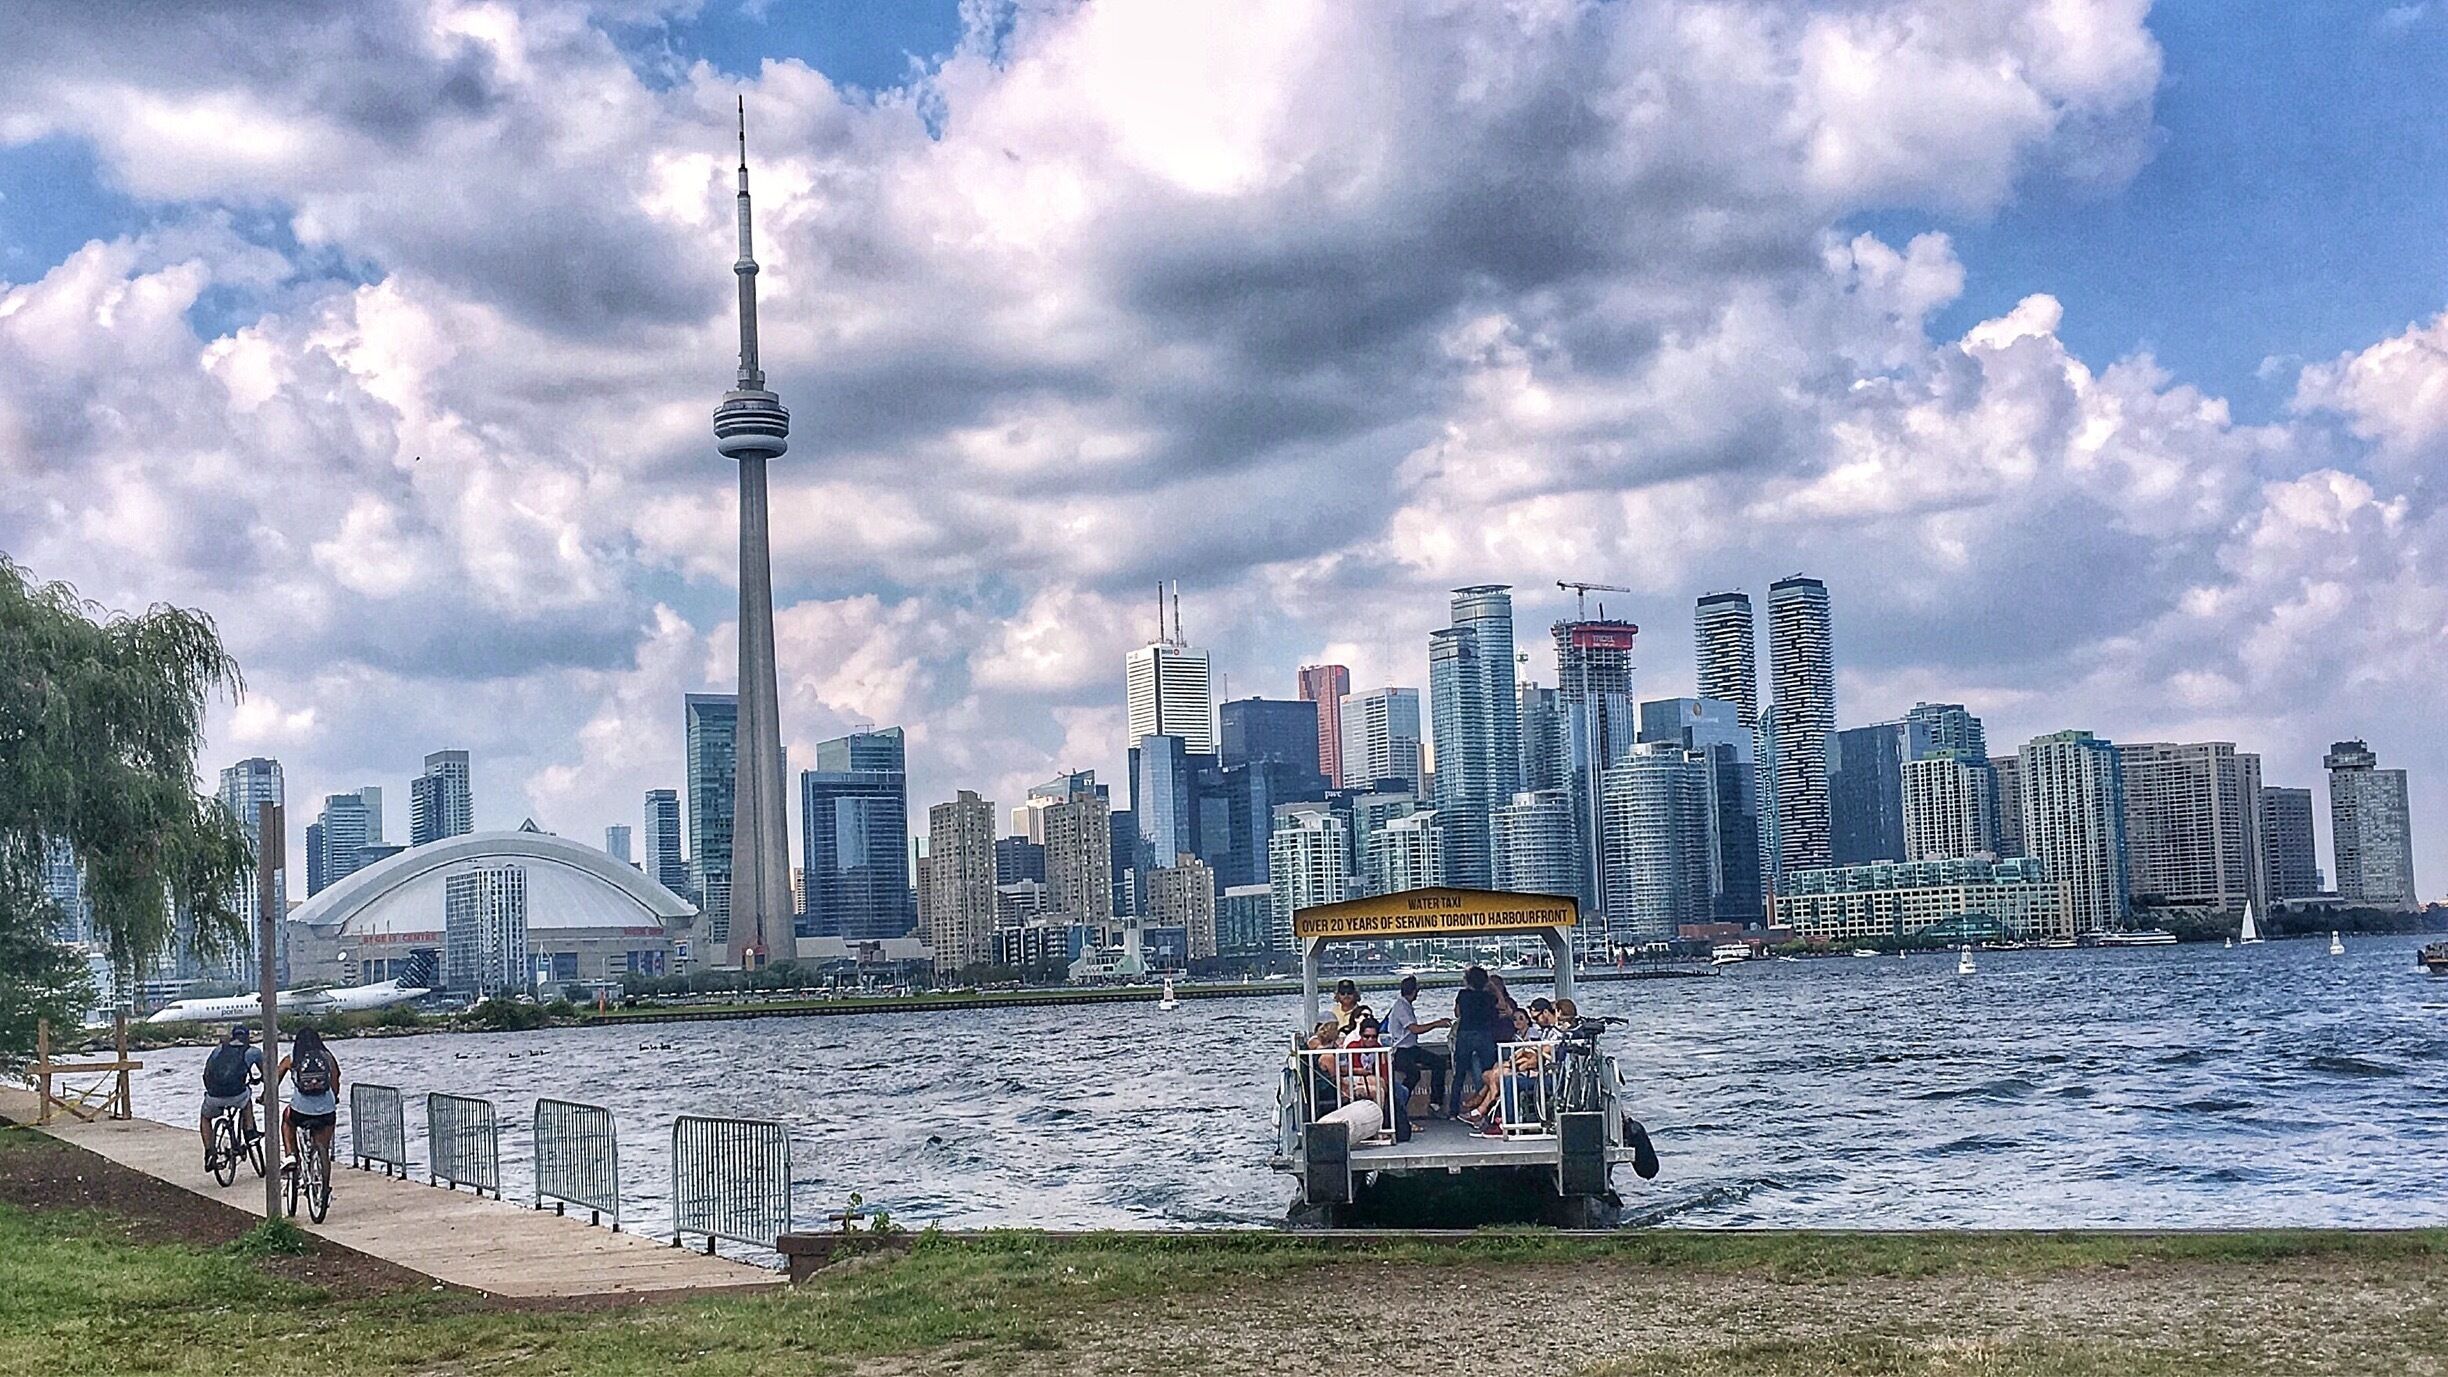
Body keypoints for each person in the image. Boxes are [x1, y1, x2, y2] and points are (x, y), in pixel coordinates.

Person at [197, 1025, 263, 1171]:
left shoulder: (218, 1050)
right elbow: (266, 1073)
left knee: (205, 1118)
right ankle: (251, 1131)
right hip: (237, 1094)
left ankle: (209, 1152)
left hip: (214, 1095)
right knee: (247, 1101)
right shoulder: (253, 1052)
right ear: (247, 1037)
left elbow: (207, 1072)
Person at [278, 1028, 341, 1175]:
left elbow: (274, 1079)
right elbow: (336, 1078)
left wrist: (264, 1097)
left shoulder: (292, 1058)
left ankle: (290, 1155)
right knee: (323, 1147)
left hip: (300, 1111)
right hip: (327, 1111)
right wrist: (334, 1097)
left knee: (287, 1120)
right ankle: (324, 1187)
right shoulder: (327, 1057)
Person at [1385, 975, 1450, 1118]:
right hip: (1401, 1050)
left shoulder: (1405, 1005)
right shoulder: (1401, 1006)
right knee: (1414, 1074)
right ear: (1415, 991)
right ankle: (1399, 1105)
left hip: (1411, 1048)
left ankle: (1435, 1103)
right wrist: (1436, 1024)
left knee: (1439, 1063)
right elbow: (1414, 1029)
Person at [1446, 966, 1500, 1118]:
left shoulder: (1463, 994)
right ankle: (1489, 1108)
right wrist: (1495, 988)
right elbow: (1501, 1005)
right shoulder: (1488, 996)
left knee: (1459, 1073)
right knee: (1487, 1071)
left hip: (1465, 1033)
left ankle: (1453, 1110)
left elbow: (1457, 1013)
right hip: (1484, 1033)